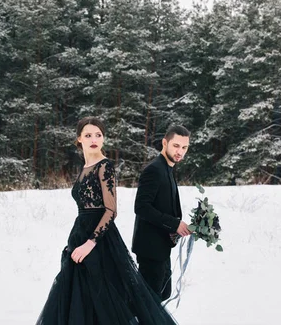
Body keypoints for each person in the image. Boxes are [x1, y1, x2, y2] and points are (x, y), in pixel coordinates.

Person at [36, 117, 178, 325]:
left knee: (106, 299)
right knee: (81, 299)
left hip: (100, 241)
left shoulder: (105, 166)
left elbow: (111, 211)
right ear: (79, 139)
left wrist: (90, 243)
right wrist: (79, 242)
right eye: (88, 135)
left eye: (98, 135)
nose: (94, 139)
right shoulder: (85, 168)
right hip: (79, 236)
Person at [131, 125, 192, 302]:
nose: (180, 151)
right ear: (165, 143)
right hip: (150, 249)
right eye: (176, 146)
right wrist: (174, 224)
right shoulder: (154, 170)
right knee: (149, 303)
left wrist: (181, 227)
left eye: (184, 147)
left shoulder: (168, 169)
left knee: (163, 294)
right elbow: (141, 207)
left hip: (162, 247)